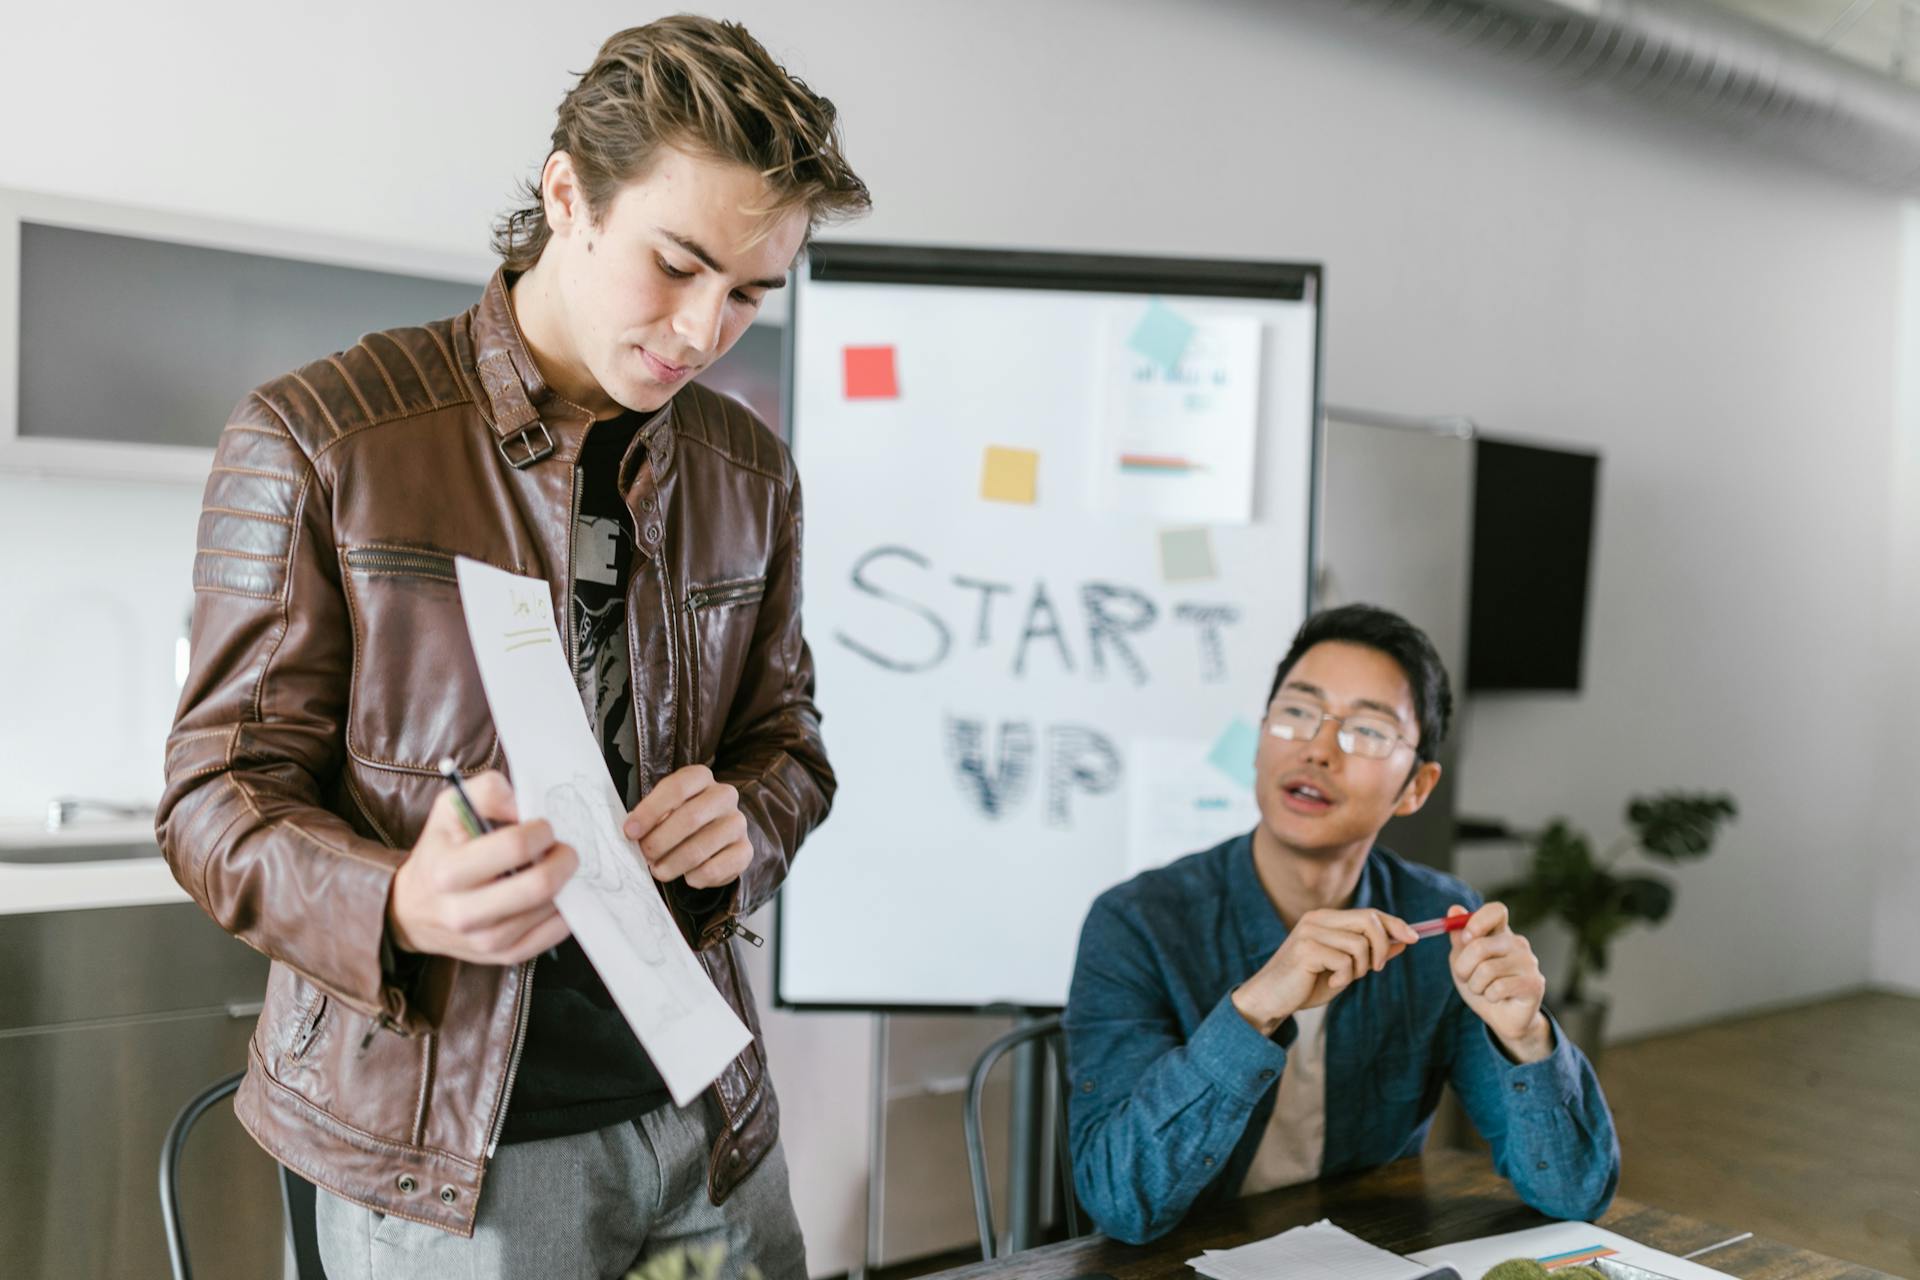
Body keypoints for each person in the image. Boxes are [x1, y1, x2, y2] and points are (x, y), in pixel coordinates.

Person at [157, 16, 869, 1278]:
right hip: (449, 1162)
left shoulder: (749, 472)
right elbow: (214, 801)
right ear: (565, 194)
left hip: (710, 1121)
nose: (706, 331)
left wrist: (748, 818)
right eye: (677, 264)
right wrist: (397, 899)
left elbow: (791, 745)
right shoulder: (320, 439)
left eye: (751, 293)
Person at [1063, 604, 1620, 1244]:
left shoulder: (1441, 921)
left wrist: (1528, 1041)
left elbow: (1575, 1193)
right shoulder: (1136, 923)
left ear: (1415, 787)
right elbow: (1119, 1201)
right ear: (1260, 737)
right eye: (1296, 713)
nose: (1318, 749)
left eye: (1367, 731)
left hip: (1364, 1255)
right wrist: (1255, 1010)